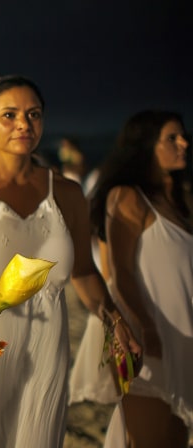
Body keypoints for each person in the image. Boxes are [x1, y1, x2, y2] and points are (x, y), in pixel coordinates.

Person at [0, 74, 141, 448]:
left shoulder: (65, 192)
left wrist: (113, 319)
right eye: (9, 115)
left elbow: (83, 271)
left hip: (48, 349)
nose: (23, 124)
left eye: (33, 115)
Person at [88, 110, 191, 447]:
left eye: (182, 136)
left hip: (183, 333)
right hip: (147, 335)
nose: (184, 143)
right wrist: (145, 328)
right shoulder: (129, 196)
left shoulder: (181, 199)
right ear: (146, 146)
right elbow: (120, 273)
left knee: (175, 438)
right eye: (171, 138)